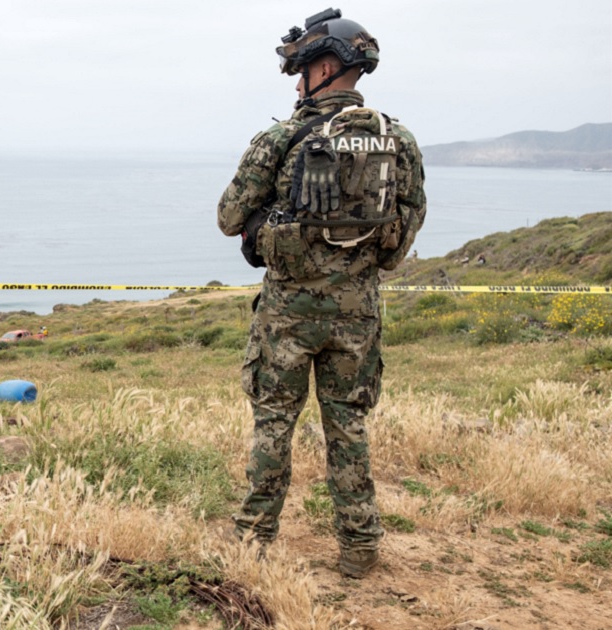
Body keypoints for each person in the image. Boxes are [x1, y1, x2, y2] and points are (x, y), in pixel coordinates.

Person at [217, 8, 426, 579]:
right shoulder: (398, 141)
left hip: (287, 315)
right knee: (349, 427)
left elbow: (228, 215)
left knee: (274, 425)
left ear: (326, 66)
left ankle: (253, 540)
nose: (298, 82)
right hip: (357, 317)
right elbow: (402, 237)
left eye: (302, 70)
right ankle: (359, 548)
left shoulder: (282, 138)